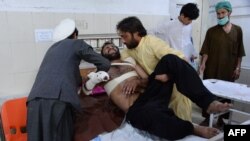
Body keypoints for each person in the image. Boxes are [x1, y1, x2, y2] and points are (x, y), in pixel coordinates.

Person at [84, 41, 231, 140]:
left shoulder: (130, 61)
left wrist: (137, 81)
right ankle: (192, 129)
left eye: (112, 46)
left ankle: (208, 102)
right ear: (102, 54)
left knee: (169, 59)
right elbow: (85, 91)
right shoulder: (101, 70)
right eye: (106, 48)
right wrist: (94, 80)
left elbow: (147, 80)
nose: (110, 48)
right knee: (152, 115)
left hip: (149, 94)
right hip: (136, 109)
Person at [26, 18, 111, 141]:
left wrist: (85, 78)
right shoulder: (76, 43)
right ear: (75, 35)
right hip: (58, 100)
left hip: (34, 101)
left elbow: (72, 78)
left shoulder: (52, 50)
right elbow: (105, 64)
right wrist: (96, 76)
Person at [116, 16, 192, 121]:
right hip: (156, 88)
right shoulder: (128, 50)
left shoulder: (152, 43)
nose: (123, 41)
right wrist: (134, 79)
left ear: (136, 33)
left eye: (125, 36)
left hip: (175, 90)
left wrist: (169, 75)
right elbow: (126, 64)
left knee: (181, 122)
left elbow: (183, 61)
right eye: (121, 37)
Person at [199, 1, 245, 127]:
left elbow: (240, 52)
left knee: (226, 94)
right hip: (212, 69)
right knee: (209, 93)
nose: (220, 16)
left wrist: (238, 68)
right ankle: (207, 117)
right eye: (218, 13)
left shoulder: (237, 30)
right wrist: (203, 64)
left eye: (223, 13)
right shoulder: (211, 31)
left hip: (228, 69)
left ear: (229, 12)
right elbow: (206, 51)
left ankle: (221, 120)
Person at [150, 3, 199, 67]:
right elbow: (151, 31)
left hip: (187, 60)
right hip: (174, 60)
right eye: (189, 19)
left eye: (192, 20)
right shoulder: (169, 25)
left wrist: (192, 52)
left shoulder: (189, 26)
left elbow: (188, 40)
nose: (190, 22)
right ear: (182, 15)